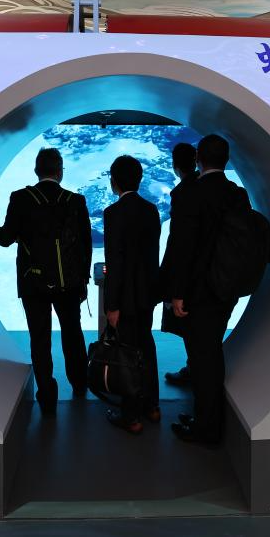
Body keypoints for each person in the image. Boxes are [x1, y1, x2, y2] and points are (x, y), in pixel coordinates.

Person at [0, 148, 92, 416]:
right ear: (60, 171)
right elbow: (84, 246)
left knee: (40, 339)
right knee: (72, 334)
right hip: (68, 284)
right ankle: (79, 383)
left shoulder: (21, 198)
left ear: (36, 171)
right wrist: (82, 281)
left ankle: (47, 397)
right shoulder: (75, 201)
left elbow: (6, 239)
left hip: (33, 284)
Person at [168, 134, 249, 444]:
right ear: (226, 160)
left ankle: (206, 429)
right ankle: (207, 420)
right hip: (226, 287)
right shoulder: (237, 194)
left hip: (198, 291)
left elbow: (183, 248)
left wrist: (177, 292)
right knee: (211, 352)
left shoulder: (191, 194)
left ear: (198, 158)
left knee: (202, 360)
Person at [103, 155, 161, 435]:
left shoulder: (113, 214)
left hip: (124, 298)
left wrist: (111, 304)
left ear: (113, 182)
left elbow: (115, 263)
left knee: (127, 354)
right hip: (147, 294)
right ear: (139, 179)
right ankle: (152, 406)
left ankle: (131, 416)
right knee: (146, 346)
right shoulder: (151, 210)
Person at [159, 143, 199, 386]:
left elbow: (179, 243)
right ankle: (196, 370)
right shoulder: (206, 188)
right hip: (212, 274)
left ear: (175, 166)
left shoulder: (183, 193)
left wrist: (172, 285)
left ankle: (195, 372)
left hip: (189, 276)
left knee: (192, 330)